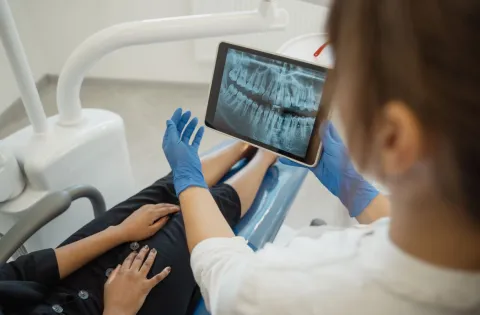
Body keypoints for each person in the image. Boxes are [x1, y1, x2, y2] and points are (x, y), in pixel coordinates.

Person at [162, 1, 480, 314]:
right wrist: (358, 192)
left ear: (394, 136)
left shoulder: (301, 288)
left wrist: (188, 179)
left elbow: (223, 276)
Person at [0, 136, 279, 315]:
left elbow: (25, 271)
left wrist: (118, 232)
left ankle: (245, 144)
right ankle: (267, 155)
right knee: (200, 216)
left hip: (57, 288)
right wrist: (118, 309)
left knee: (162, 196)